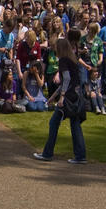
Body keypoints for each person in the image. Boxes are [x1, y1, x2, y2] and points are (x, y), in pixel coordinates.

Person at [33, 36, 86, 164]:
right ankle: (80, 156)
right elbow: (67, 82)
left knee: (54, 123)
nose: (54, 49)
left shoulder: (63, 60)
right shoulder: (72, 60)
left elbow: (66, 79)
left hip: (68, 98)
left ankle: (47, 153)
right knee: (75, 125)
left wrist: (61, 97)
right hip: (76, 96)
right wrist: (52, 97)